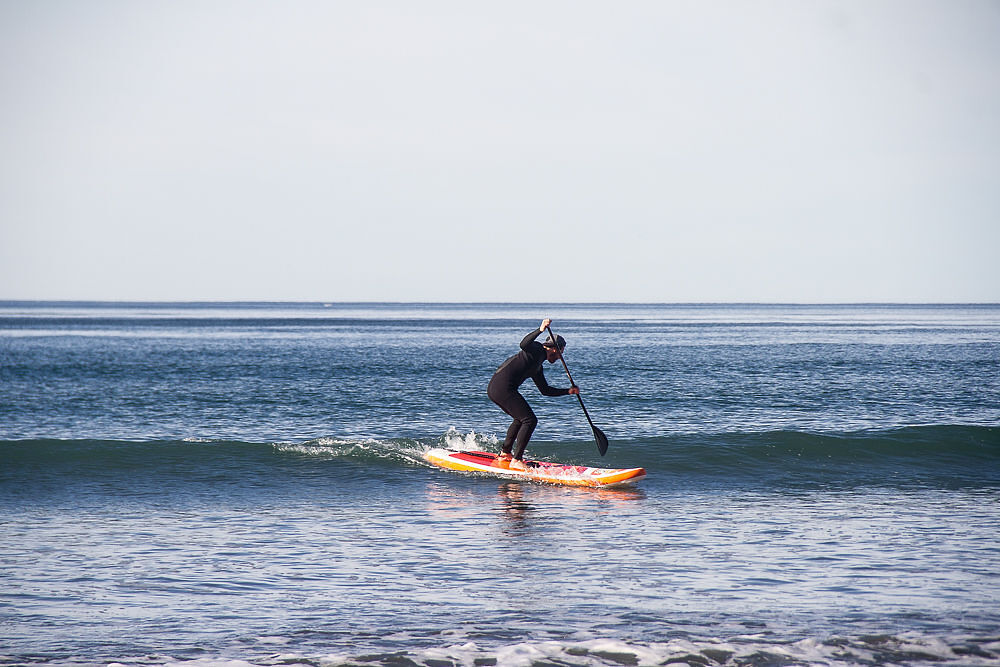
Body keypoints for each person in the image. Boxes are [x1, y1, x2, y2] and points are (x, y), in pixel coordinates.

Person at [487, 318, 579, 470]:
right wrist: (540, 329)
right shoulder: (537, 349)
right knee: (529, 420)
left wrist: (568, 391)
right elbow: (523, 344)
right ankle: (516, 460)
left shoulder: (537, 366)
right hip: (501, 388)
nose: (560, 358)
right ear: (554, 348)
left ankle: (505, 453)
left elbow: (545, 390)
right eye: (560, 354)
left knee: (521, 419)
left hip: (499, 389)